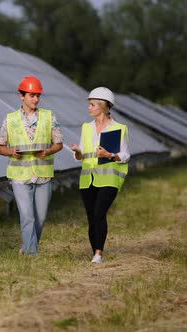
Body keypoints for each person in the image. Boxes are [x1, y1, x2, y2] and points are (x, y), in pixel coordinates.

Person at [0, 75, 63, 256]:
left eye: (38, 96)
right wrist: (11, 152)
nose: (35, 99)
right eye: (32, 95)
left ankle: (27, 247)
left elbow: (59, 143)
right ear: (21, 96)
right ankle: (32, 255)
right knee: (27, 216)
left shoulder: (49, 117)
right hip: (19, 176)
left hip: (43, 174)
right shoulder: (10, 119)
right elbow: (0, 148)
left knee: (40, 218)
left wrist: (48, 151)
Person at [71, 87, 130, 264]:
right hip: (88, 178)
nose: (88, 108)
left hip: (109, 179)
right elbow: (81, 156)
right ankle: (94, 252)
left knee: (99, 213)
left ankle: (99, 253)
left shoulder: (120, 128)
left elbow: (126, 155)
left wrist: (110, 155)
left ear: (104, 106)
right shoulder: (86, 128)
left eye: (92, 104)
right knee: (91, 216)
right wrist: (77, 152)